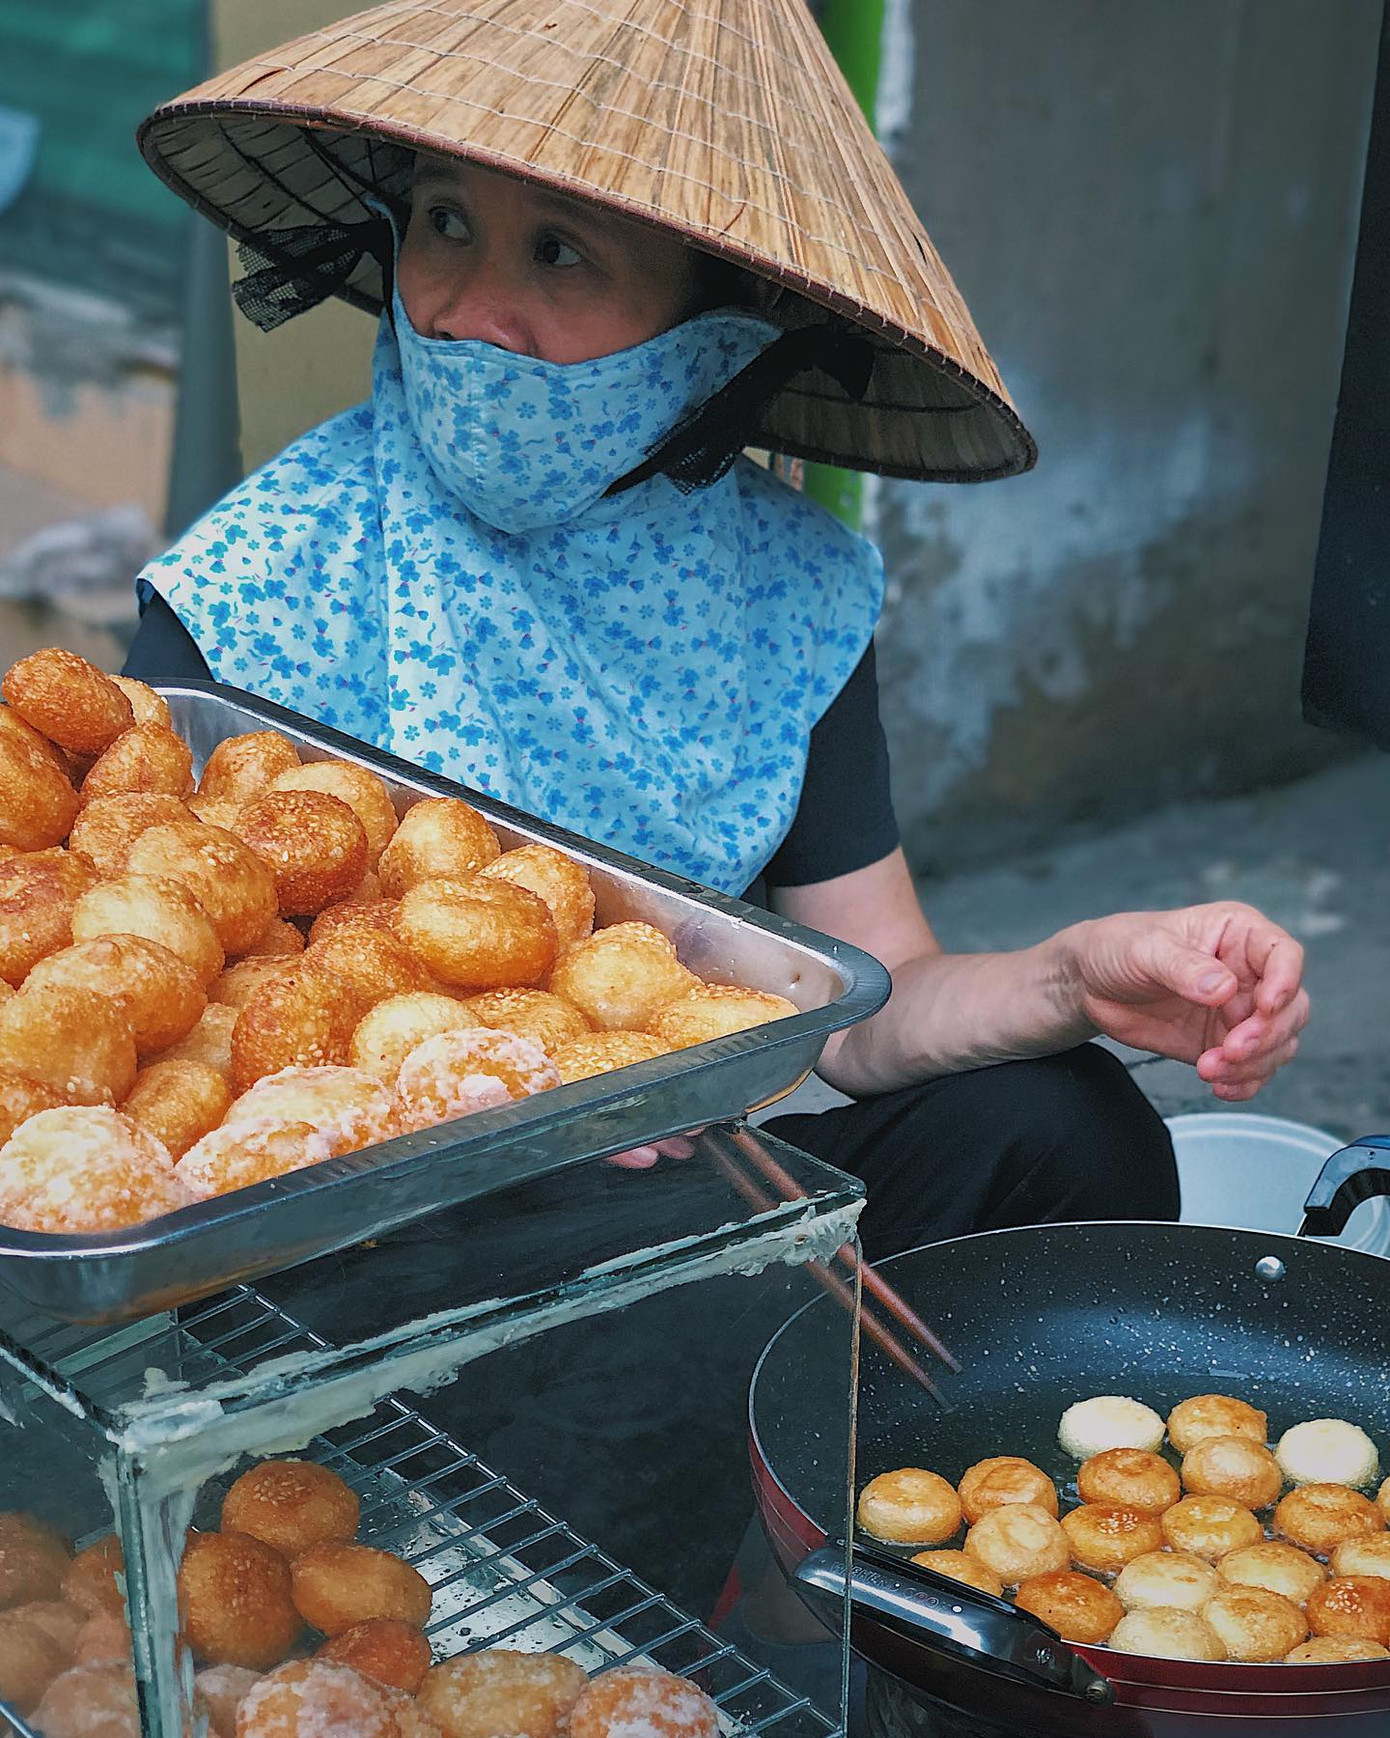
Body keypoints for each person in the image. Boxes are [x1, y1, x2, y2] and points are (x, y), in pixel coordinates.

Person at [128, 5, 1310, 1706]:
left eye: (561, 251)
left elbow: (857, 1006)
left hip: (679, 1191)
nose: (470, 306)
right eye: (444, 220)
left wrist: (1071, 977)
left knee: (1054, 1125)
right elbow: (164, 1065)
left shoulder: (777, 596)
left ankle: (875, 1610)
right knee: (679, 1286)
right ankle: (652, 1654)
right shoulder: (258, 593)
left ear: (710, 330)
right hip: (364, 1250)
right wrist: (523, 1097)